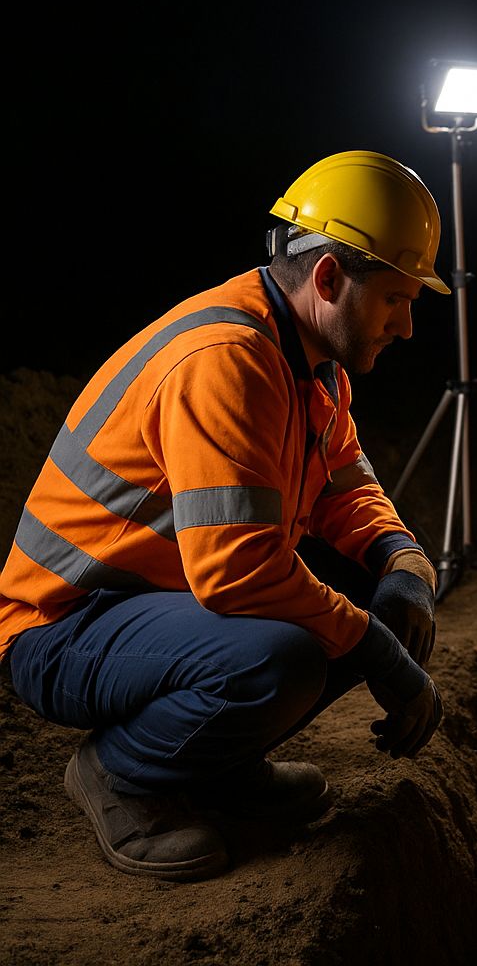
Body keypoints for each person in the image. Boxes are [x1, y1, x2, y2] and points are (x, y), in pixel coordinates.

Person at [0, 151, 448, 882]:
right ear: (330, 278)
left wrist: (404, 565)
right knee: (289, 652)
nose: (405, 327)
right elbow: (236, 572)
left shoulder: (312, 360)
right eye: (396, 300)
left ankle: (213, 766)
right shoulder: (227, 360)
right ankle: (122, 774)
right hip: (60, 627)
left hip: (149, 606)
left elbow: (345, 484)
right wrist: (373, 646)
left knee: (363, 608)